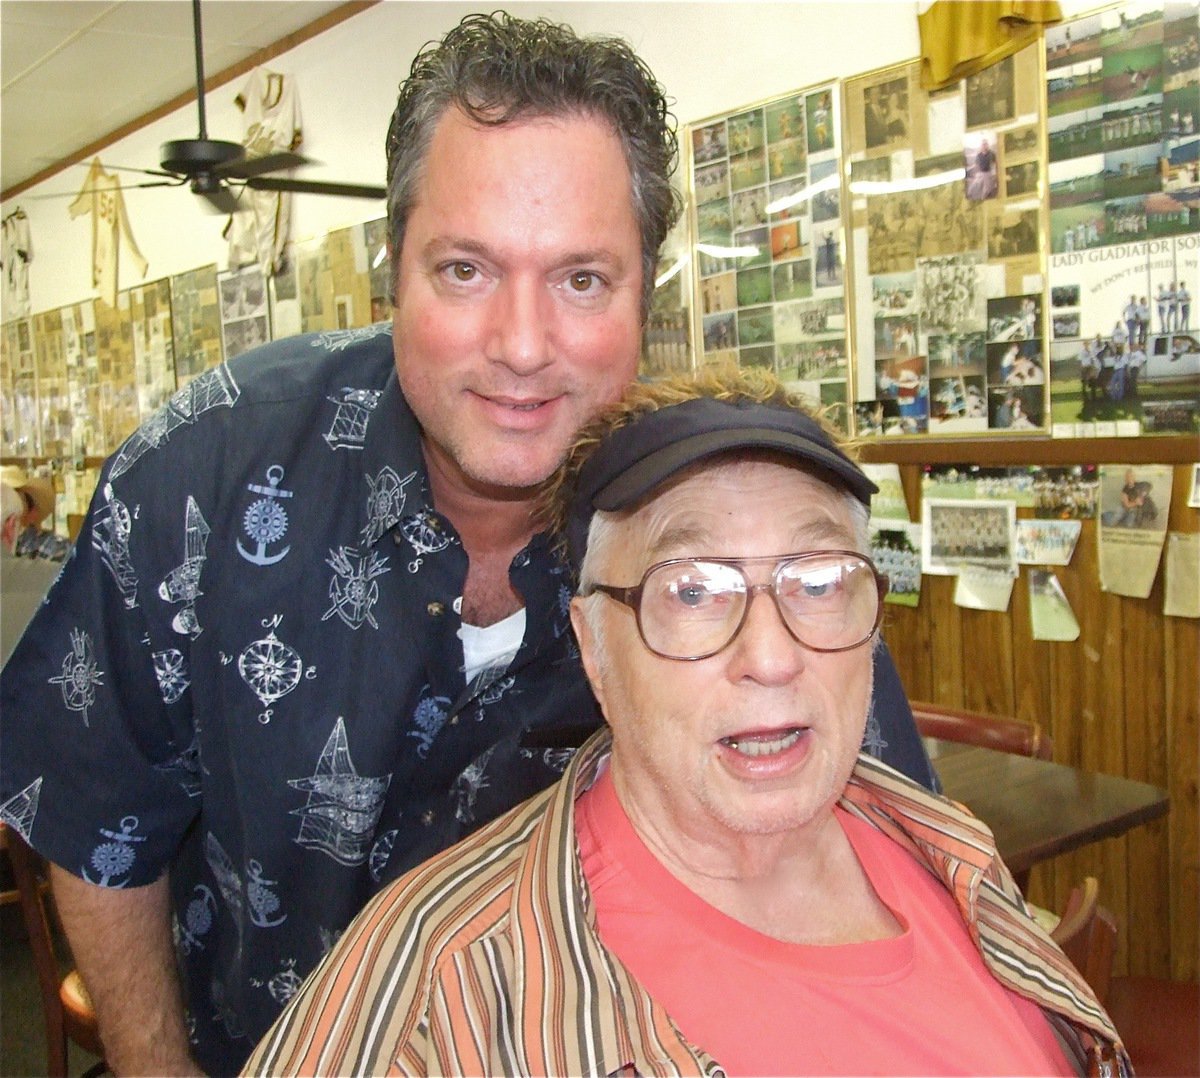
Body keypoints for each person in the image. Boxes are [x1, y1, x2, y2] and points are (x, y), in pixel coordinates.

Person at [0, 14, 935, 1076]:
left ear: (646, 293)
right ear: (392, 267)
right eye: (465, 271)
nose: (523, 347)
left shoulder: (726, 524)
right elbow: (98, 811)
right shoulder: (202, 475)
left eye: (582, 278)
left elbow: (887, 846)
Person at [245, 369, 1127, 1077]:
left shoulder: (949, 850)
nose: (772, 656)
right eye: (693, 592)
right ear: (592, 647)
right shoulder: (437, 998)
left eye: (817, 580)